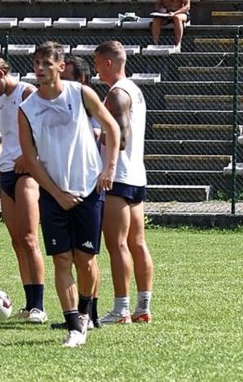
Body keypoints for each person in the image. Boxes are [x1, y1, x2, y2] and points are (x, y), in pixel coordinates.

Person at [17, 41, 121, 348]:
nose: (40, 69)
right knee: (62, 260)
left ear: (61, 67)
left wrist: (109, 169)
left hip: (88, 189)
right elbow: (29, 158)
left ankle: (86, 312)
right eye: (36, 63)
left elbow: (112, 128)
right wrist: (56, 193)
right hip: (53, 194)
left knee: (86, 261)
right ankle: (74, 326)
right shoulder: (27, 108)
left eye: (46, 63)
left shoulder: (80, 93)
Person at [0, 54, 47, 324]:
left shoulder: (27, 93)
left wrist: (29, 156)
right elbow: (12, 136)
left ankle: (39, 306)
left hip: (26, 173)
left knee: (29, 238)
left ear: (0, 74)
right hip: (6, 172)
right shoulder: (3, 100)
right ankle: (28, 303)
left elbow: (42, 131)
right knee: (16, 242)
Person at [93, 41, 155, 325]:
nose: (95, 69)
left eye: (97, 63)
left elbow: (121, 138)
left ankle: (121, 309)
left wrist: (99, 139)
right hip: (136, 175)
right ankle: (143, 307)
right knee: (137, 242)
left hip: (117, 177)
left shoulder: (117, 93)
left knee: (117, 244)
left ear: (108, 63)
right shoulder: (135, 90)